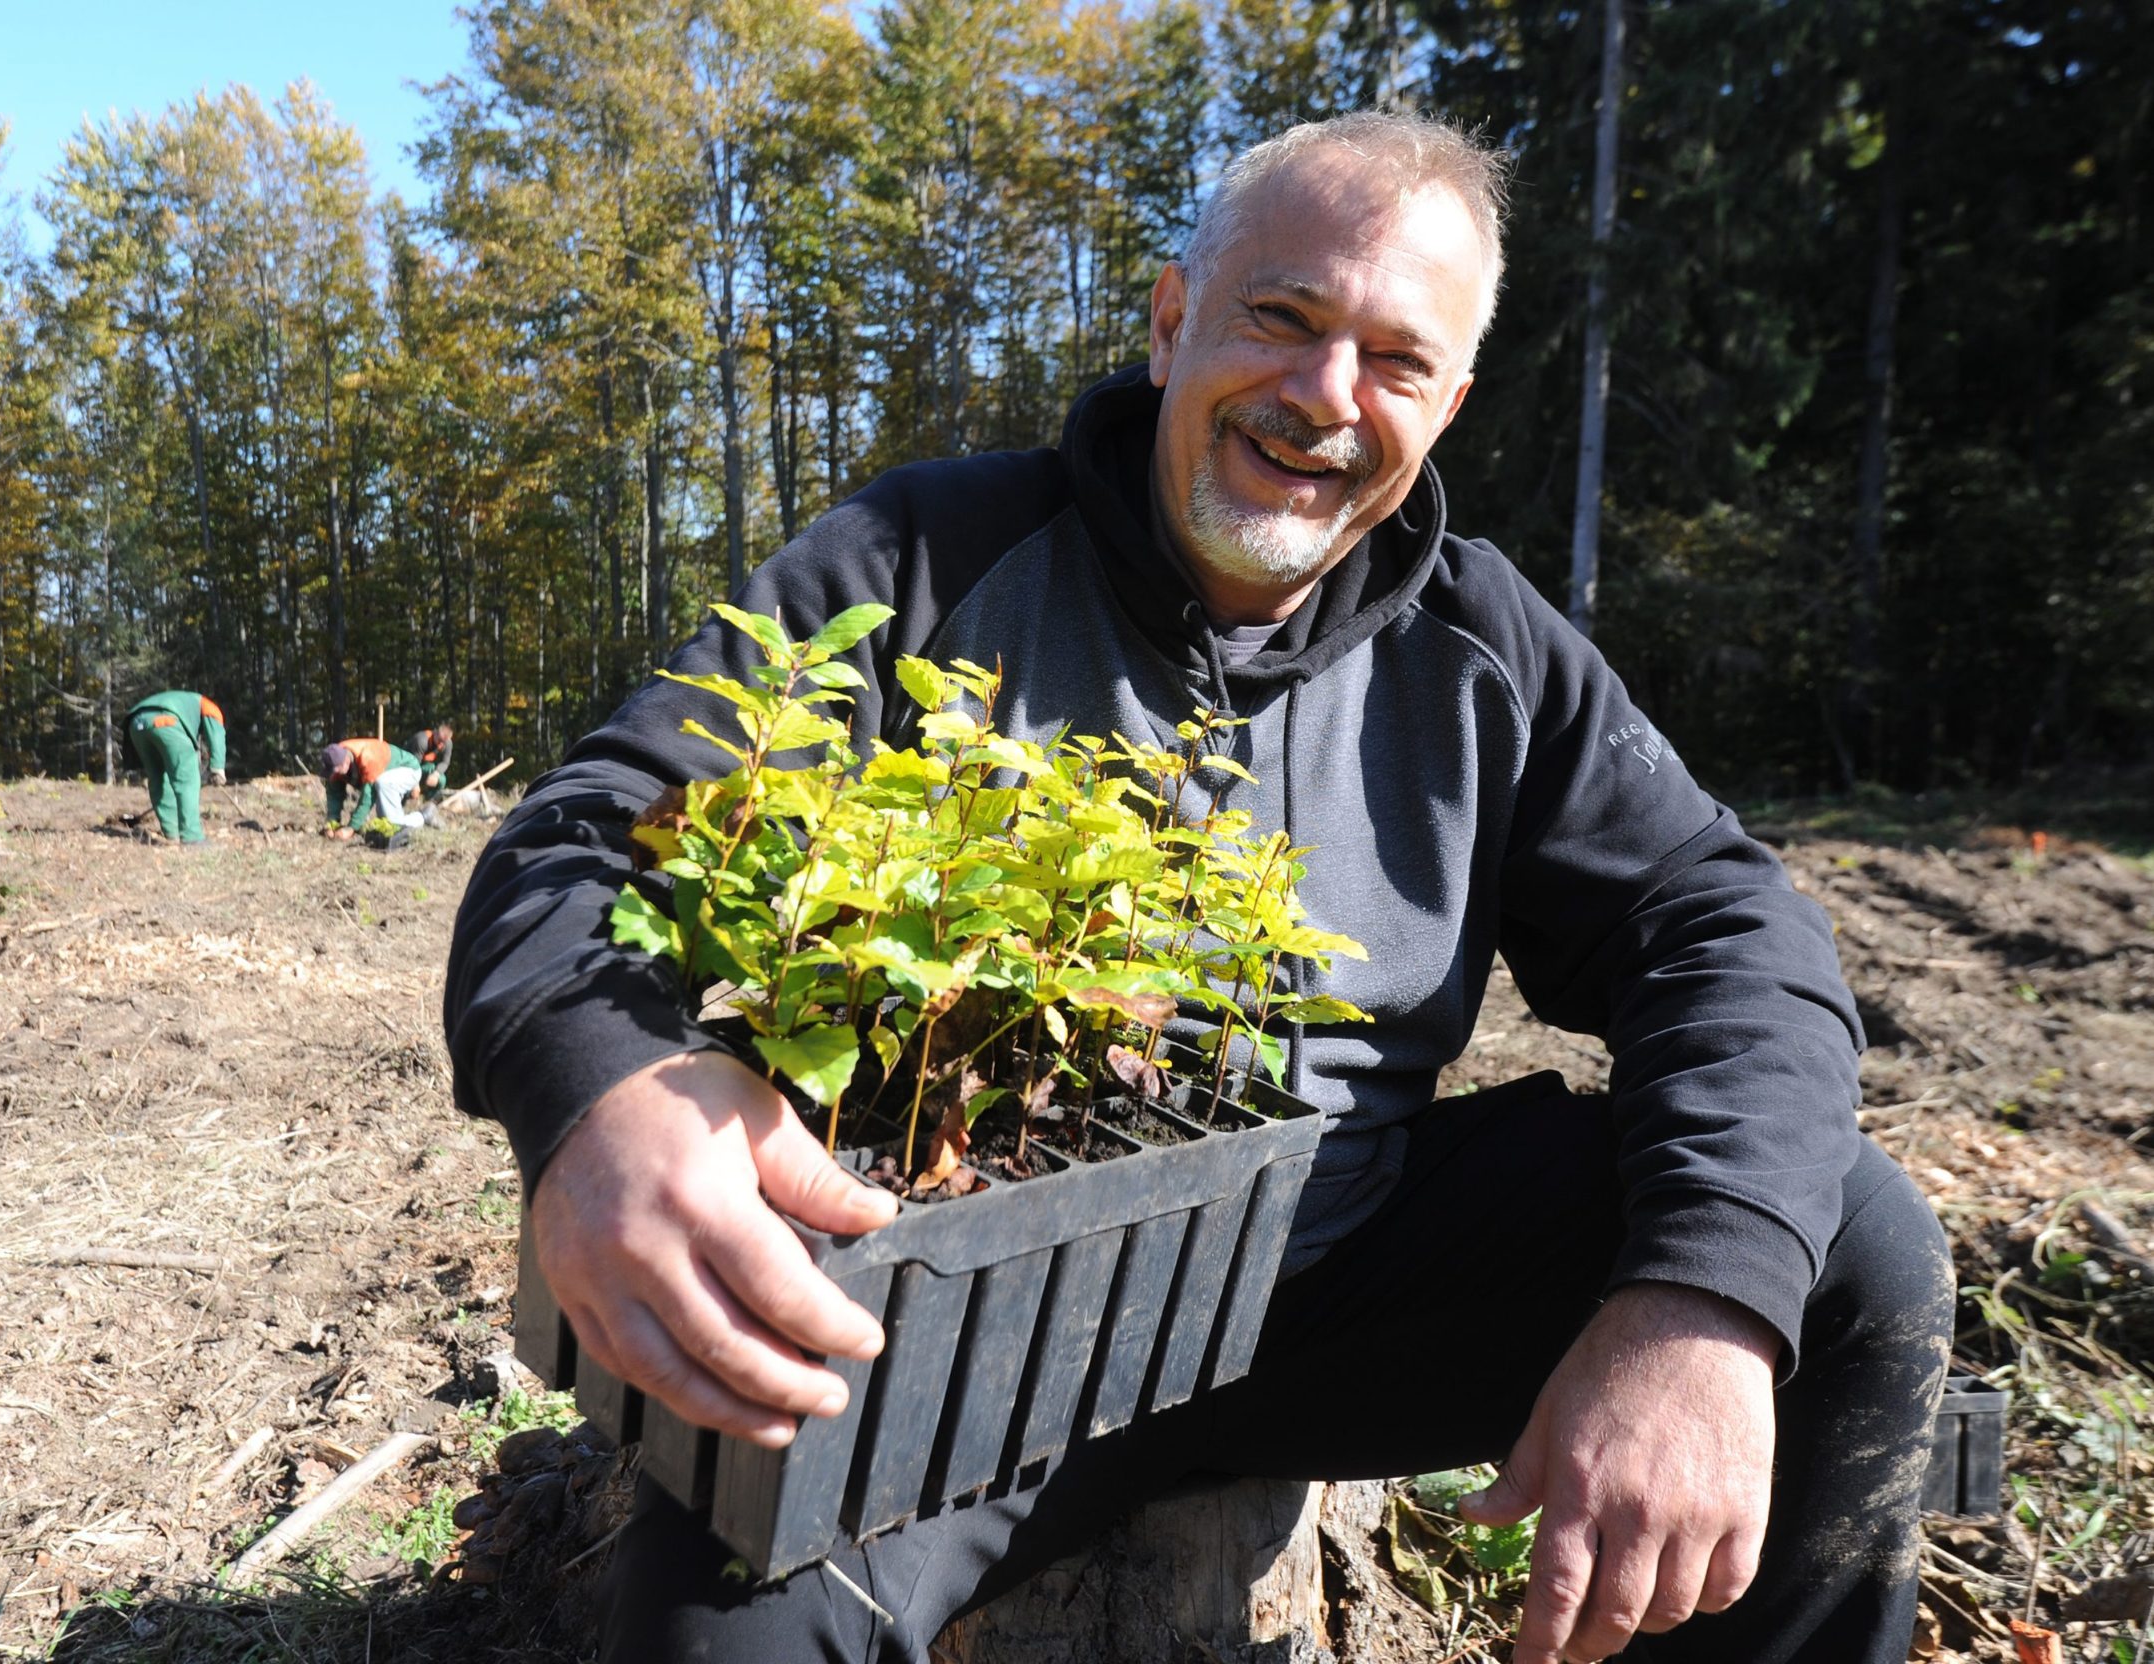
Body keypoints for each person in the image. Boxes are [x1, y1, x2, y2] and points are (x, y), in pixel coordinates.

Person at [443, 110, 1952, 1664]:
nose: (1323, 398)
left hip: (1342, 1289)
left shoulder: (1483, 647)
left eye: (1393, 361)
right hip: (956, 1332)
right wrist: (600, 1085)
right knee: (718, 1638)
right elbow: (592, 828)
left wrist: (1700, 1308)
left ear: (1448, 405)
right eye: (1281, 319)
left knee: (1840, 1245)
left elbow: (1723, 923)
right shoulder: (921, 558)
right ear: (1172, 320)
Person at [125, 689, 226, 844]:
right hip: (166, 721)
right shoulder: (209, 706)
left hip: (135, 723)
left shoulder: (185, 701)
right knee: (187, 779)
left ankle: (171, 832)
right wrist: (218, 768)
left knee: (158, 777)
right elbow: (216, 735)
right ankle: (192, 837)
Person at [320, 737, 425, 835]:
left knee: (392, 822)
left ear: (346, 762)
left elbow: (368, 796)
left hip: (409, 769)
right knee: (383, 821)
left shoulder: (368, 757)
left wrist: (351, 828)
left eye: (336, 770)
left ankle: (423, 816)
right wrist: (331, 823)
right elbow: (334, 794)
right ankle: (392, 824)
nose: (335, 774)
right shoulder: (336, 756)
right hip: (385, 777)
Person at [411, 721, 456, 805]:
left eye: (444, 742)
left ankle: (430, 802)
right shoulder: (422, 740)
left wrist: (436, 774)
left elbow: (445, 762)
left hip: (424, 765)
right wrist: (415, 784)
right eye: (439, 740)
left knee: (442, 779)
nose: (441, 744)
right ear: (435, 733)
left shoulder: (447, 743)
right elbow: (414, 764)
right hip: (409, 766)